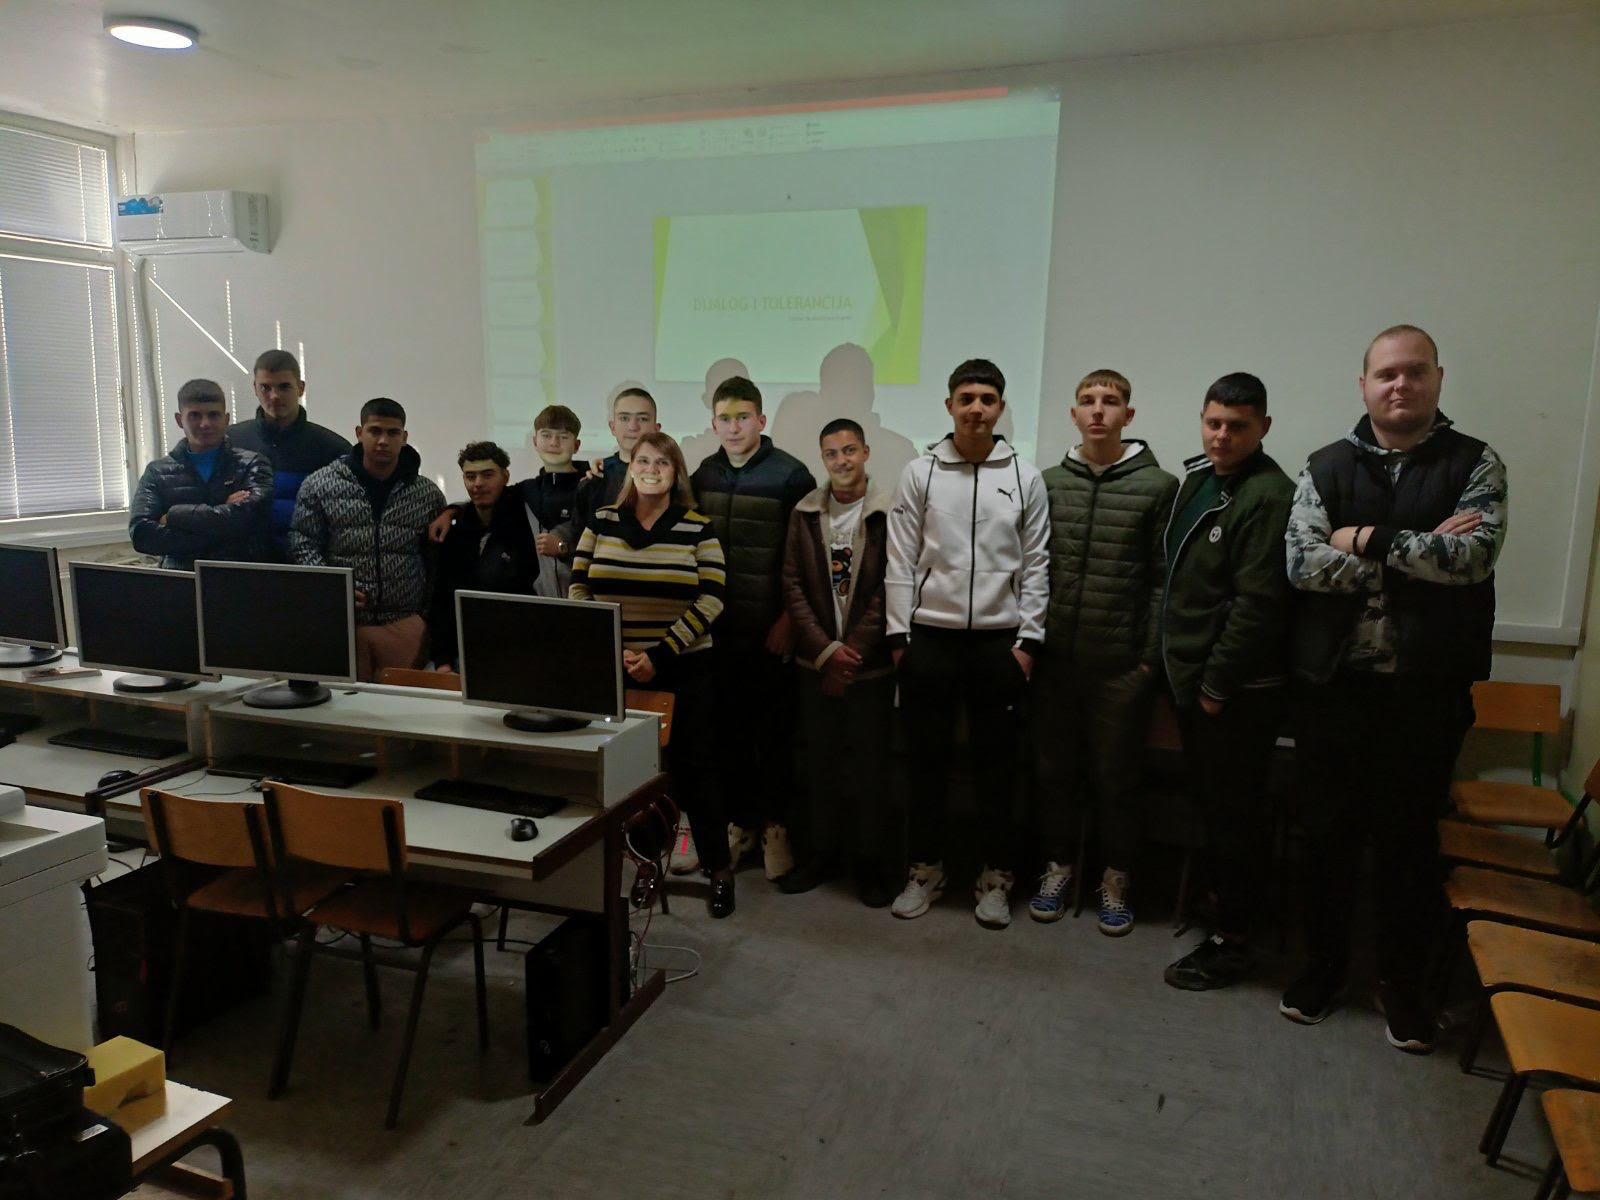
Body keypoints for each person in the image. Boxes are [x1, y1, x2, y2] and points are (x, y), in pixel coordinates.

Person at [1281, 325, 1506, 1053]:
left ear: (1438, 378)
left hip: (1426, 695)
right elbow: (1301, 565)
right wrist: (1418, 548)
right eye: (1386, 374)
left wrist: (1361, 538)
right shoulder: (1325, 464)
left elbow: (1471, 559)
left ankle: (1401, 987)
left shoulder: (1475, 463)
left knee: (1409, 846)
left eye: (1414, 371)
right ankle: (1322, 971)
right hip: (1335, 690)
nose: (1400, 384)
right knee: (1325, 839)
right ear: (1364, 385)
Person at [885, 358, 1049, 929]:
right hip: (930, 639)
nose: (976, 408)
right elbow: (901, 559)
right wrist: (900, 638)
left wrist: (1028, 642)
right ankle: (925, 871)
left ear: (1000, 408)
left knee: (997, 769)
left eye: (987, 399)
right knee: (926, 766)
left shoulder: (1025, 477)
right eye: (966, 398)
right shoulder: (920, 472)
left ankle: (996, 878)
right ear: (950, 406)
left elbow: (1037, 564)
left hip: (1000, 644)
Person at [1158, 372, 1294, 991]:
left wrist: (1215, 686)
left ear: (1263, 427)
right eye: (1213, 423)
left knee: (1236, 819)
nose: (1222, 435)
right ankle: (1220, 910)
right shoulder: (1200, 480)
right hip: (1193, 681)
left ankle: (1235, 942)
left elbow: (1258, 605)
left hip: (1236, 693)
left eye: (1237, 426)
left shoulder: (1269, 494)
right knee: (1214, 811)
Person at [1030, 369, 1177, 935]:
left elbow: (1163, 580)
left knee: (1117, 780)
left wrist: (1147, 662)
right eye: (1087, 401)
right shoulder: (1047, 483)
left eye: (1110, 401)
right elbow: (1032, 568)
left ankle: (1116, 879)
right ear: (1073, 414)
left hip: (1120, 669)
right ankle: (1058, 869)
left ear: (1127, 415)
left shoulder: (1159, 487)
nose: (1098, 410)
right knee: (1054, 774)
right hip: (1055, 663)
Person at [568, 432, 734, 917]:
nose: (652, 469)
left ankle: (718, 870)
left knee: (697, 772)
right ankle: (646, 866)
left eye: (663, 462)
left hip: (685, 668)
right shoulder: (602, 521)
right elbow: (578, 586)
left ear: (676, 473)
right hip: (618, 668)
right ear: (630, 468)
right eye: (644, 460)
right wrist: (614, 646)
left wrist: (660, 655)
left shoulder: (698, 527)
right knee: (636, 779)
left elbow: (713, 598)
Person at [690, 375, 818, 881]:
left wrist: (789, 619)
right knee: (727, 738)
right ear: (713, 424)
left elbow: (806, 556)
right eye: (725, 419)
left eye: (743, 417)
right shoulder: (704, 473)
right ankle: (739, 826)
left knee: (774, 739)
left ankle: (775, 829)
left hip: (769, 631)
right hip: (715, 633)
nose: (734, 427)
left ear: (761, 421)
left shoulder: (791, 475)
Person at [779, 418, 898, 907]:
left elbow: (894, 585)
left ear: (865, 452)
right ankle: (820, 856)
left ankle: (870, 866)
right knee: (820, 769)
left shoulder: (890, 511)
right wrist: (827, 652)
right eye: (831, 453)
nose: (841, 460)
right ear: (822, 458)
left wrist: (852, 653)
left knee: (871, 773)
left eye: (850, 450)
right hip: (816, 665)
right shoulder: (805, 511)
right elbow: (792, 584)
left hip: (870, 668)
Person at [289, 398, 446, 681]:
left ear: (404, 437)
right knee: (347, 703)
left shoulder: (427, 494)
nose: (383, 440)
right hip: (344, 623)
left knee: (401, 704)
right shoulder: (321, 484)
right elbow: (302, 543)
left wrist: (424, 617)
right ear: (359, 433)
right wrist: (334, 587)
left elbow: (437, 562)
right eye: (375, 431)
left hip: (406, 625)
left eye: (392, 432)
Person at [428, 404, 586, 597]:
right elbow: (486, 497)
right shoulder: (528, 489)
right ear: (535, 441)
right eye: (546, 435)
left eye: (563, 437)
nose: (554, 443)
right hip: (543, 601)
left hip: (588, 597)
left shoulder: (594, 486)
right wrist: (451, 511)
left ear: (576, 445)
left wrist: (563, 548)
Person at [129, 378, 274, 569]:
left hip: (238, 578)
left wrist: (174, 516)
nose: (205, 424)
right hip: (180, 579)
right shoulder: (157, 472)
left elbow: (252, 521)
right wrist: (223, 517)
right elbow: (142, 535)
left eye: (213, 415)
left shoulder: (252, 464)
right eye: (195, 416)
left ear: (226, 419)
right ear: (179, 420)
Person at [428, 441, 540, 672]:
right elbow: (442, 601)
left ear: (505, 476)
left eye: (488, 475)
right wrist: (443, 661)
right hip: (465, 655)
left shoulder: (528, 525)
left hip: (522, 654)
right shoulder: (455, 534)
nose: (478, 483)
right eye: (470, 476)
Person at [228, 349, 351, 559]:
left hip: (308, 565)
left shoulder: (333, 449)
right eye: (265, 387)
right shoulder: (230, 442)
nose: (274, 396)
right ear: (255, 388)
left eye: (284, 386)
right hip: (244, 563)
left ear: (300, 388)